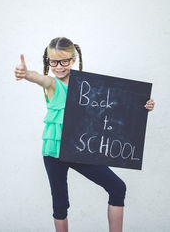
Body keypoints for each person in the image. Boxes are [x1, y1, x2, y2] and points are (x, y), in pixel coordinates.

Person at [14, 37, 155, 232]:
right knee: (60, 204)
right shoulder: (52, 84)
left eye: (64, 61)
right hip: (53, 152)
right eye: (53, 62)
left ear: (73, 59)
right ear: (48, 62)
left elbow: (115, 103)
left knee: (117, 187)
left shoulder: (88, 86)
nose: (58, 66)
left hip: (79, 149)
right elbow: (40, 78)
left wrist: (143, 105)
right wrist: (26, 74)